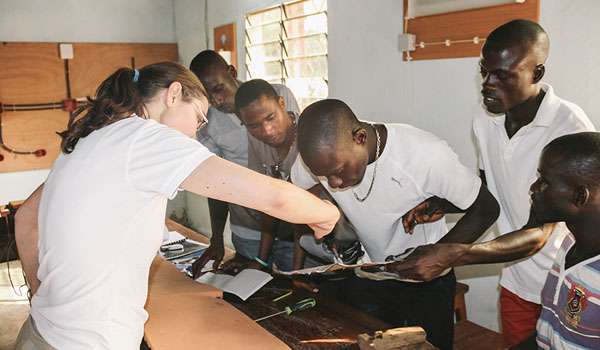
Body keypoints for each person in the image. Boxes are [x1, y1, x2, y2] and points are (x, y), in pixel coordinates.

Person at [13, 62, 339, 349]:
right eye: (197, 120)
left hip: (42, 331)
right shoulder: (145, 137)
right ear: (173, 94)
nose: (195, 137)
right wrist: (327, 214)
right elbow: (276, 197)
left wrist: (41, 293)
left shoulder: (94, 138)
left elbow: (27, 217)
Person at [401, 19, 595, 347]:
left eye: (502, 75)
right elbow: (491, 185)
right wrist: (444, 203)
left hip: (566, 282)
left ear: (537, 73)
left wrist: (454, 254)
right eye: (484, 71)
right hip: (515, 281)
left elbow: (540, 230)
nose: (488, 84)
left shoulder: (568, 129)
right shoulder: (485, 120)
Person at [291, 98, 500, 349]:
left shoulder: (425, 155)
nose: (333, 183)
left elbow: (486, 208)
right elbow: (298, 192)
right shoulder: (324, 155)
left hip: (425, 282)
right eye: (325, 176)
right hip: (368, 272)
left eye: (338, 171)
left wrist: (439, 254)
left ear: (359, 138)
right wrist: (333, 219)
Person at [391, 132, 600, 349]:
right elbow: (545, 337)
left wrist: (455, 254)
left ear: (579, 197)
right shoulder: (570, 246)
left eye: (544, 182)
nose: (533, 188)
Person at [188, 50, 300, 277]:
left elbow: (295, 156)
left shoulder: (277, 95)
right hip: (248, 230)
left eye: (218, 88)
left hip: (291, 227)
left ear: (232, 72)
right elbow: (216, 185)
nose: (216, 100)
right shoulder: (207, 122)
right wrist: (217, 238)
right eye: (208, 95)